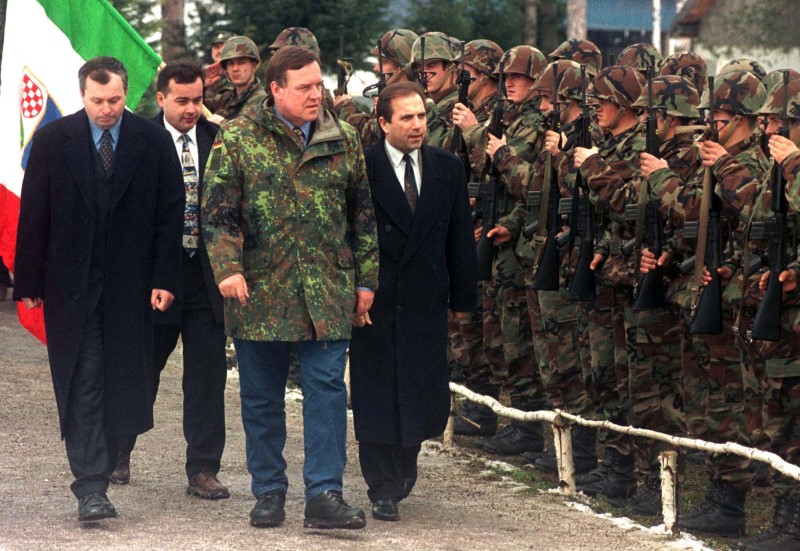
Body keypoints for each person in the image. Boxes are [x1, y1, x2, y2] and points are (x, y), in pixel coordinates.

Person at [201, 45, 379, 530]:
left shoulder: (340, 138)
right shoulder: (238, 138)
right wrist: (227, 269)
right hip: (259, 290)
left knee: (325, 390)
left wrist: (366, 281)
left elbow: (362, 217)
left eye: (318, 85)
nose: (314, 94)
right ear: (275, 88)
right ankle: (269, 491)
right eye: (304, 87)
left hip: (326, 290)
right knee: (261, 398)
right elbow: (216, 215)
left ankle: (324, 493)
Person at [13, 56, 184, 522]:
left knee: (123, 384)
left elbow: (173, 212)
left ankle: (105, 463)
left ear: (127, 93)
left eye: (114, 100)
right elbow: (35, 213)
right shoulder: (52, 140)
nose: (106, 109)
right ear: (82, 95)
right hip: (72, 287)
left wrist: (166, 277)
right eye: (97, 101)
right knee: (83, 380)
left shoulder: (151, 141)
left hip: (132, 289)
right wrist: (27, 280)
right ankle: (91, 487)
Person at [348, 81, 476, 522]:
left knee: (421, 390)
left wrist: (462, 295)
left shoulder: (447, 168)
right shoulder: (362, 169)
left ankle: (403, 468)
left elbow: (458, 236)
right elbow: (347, 236)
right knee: (377, 391)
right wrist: (352, 291)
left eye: (421, 115)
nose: (417, 124)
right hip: (376, 301)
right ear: (383, 123)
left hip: (425, 299)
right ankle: (380, 484)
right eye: (406, 117)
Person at [109, 60, 229, 500]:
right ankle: (118, 452)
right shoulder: (137, 139)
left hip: (206, 277)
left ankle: (203, 468)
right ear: (161, 99)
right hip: (156, 275)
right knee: (141, 367)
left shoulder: (220, 140)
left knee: (206, 375)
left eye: (198, 99)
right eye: (182, 100)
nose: (192, 108)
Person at [208, 35, 266, 121]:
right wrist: (201, 84)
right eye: (230, 63)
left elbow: (259, 131)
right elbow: (196, 108)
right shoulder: (226, 97)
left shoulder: (263, 100)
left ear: (254, 65)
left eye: (241, 62)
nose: (235, 69)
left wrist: (224, 124)